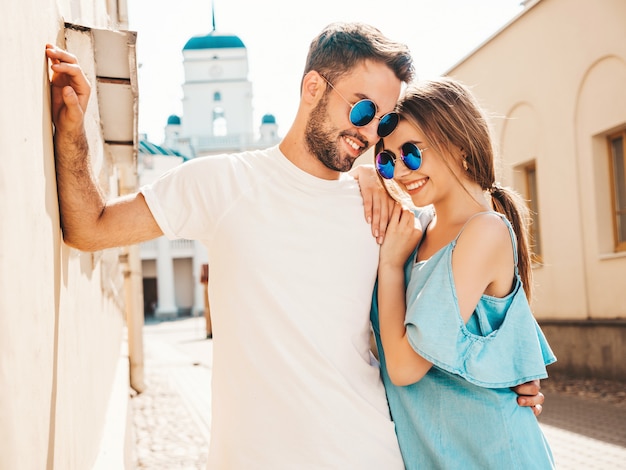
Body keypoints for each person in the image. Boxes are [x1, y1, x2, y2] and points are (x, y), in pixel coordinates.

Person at [45, 22, 544, 468]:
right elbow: (90, 228)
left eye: (384, 122)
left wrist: (510, 377)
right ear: (312, 87)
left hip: (372, 454)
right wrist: (73, 130)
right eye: (364, 109)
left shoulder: (391, 210)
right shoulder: (219, 183)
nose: (371, 134)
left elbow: (456, 310)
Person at [372, 77, 556, 469]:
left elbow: (404, 367)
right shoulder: (413, 229)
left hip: (495, 456)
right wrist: (366, 176)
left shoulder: (484, 231)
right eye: (386, 160)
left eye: (411, 152)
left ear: (458, 144)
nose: (400, 171)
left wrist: (390, 267)